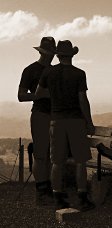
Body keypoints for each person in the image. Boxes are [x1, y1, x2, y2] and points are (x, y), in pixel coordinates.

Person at [35, 40, 95, 211]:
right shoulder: (79, 74)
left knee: (57, 162)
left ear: (58, 55)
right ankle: (82, 197)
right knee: (80, 161)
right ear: (72, 55)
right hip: (76, 121)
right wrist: (89, 122)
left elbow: (39, 93)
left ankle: (58, 197)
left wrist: (54, 94)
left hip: (56, 120)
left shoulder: (48, 72)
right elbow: (82, 99)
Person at [17, 37, 56, 205]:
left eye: (52, 53)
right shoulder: (30, 70)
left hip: (55, 116)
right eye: (48, 53)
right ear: (41, 52)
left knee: (51, 155)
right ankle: (41, 192)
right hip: (40, 115)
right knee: (41, 155)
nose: (50, 56)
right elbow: (20, 96)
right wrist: (40, 96)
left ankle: (46, 189)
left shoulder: (55, 71)